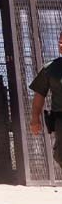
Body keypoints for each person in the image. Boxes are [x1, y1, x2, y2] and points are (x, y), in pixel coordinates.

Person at [29, 30, 62, 169]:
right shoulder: (51, 68)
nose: (60, 44)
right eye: (60, 41)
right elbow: (39, 95)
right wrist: (35, 118)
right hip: (60, 119)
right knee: (60, 154)